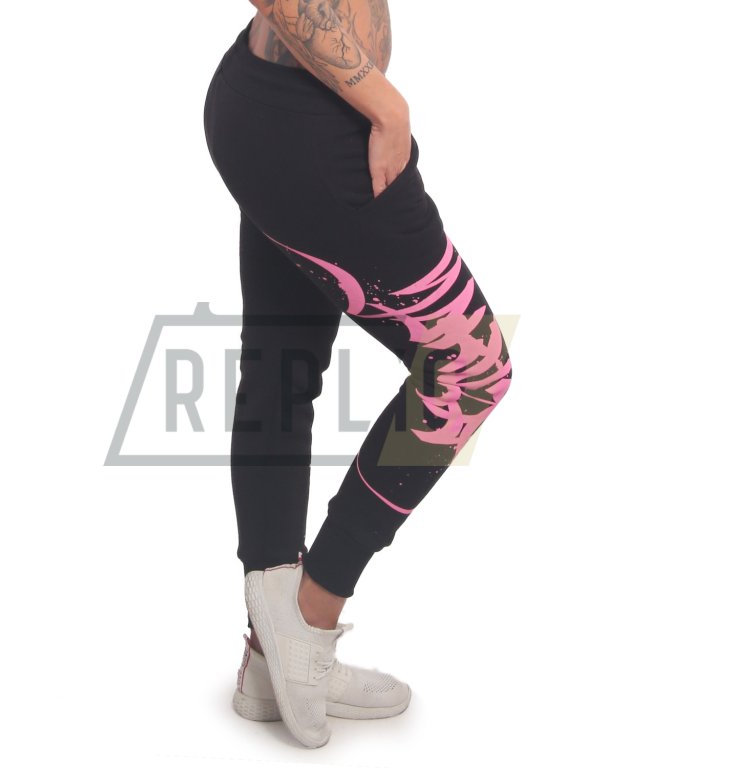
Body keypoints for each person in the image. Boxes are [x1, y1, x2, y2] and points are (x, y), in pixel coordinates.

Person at [203, 1, 513, 748]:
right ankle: (306, 624)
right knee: (469, 370)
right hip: (314, 127)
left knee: (283, 362)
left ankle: (268, 662)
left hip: (274, 106)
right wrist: (385, 103)